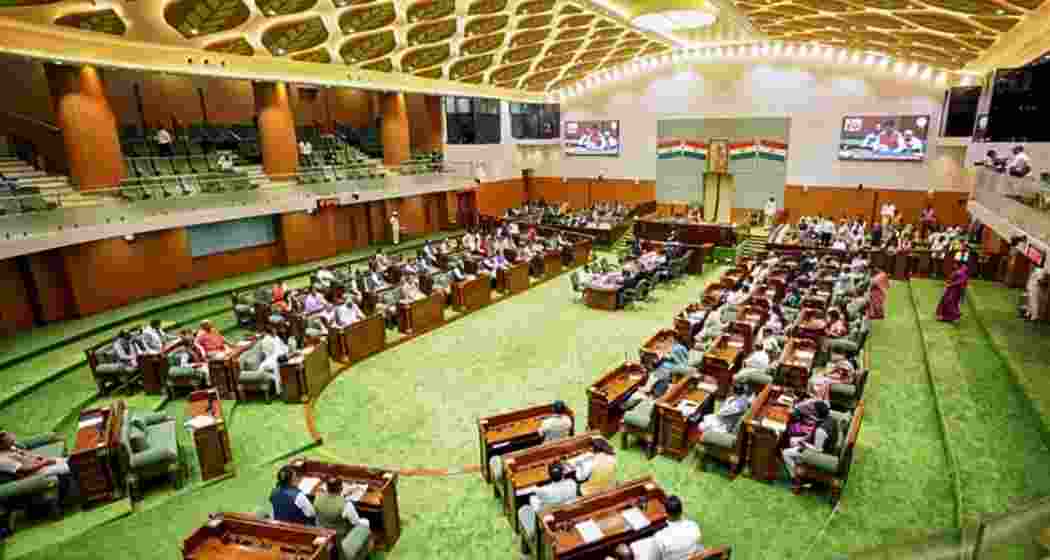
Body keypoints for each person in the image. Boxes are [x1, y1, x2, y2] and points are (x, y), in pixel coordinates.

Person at [0, 431, 76, 504]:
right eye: (5, 435)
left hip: (40, 465)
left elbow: (24, 453)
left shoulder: (10, 447)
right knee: (69, 467)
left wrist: (36, 457)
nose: (9, 434)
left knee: (73, 461)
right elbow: (24, 470)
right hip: (33, 474)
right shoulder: (3, 460)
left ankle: (74, 493)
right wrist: (44, 463)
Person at [517, 462, 578, 541]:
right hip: (567, 514)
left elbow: (530, 492)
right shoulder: (572, 483)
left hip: (549, 519)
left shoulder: (543, 491)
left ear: (549, 475)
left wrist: (534, 494)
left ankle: (531, 534)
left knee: (528, 505)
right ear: (563, 473)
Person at [314, 476, 370, 554]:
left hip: (322, 533)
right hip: (339, 539)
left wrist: (342, 496)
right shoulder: (346, 505)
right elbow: (355, 522)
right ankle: (364, 550)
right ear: (341, 488)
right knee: (365, 522)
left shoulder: (317, 498)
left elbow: (328, 505)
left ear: (327, 487)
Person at [653, 495, 702, 559]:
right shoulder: (693, 526)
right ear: (681, 511)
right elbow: (698, 544)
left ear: (665, 512)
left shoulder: (659, 537)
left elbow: (654, 558)